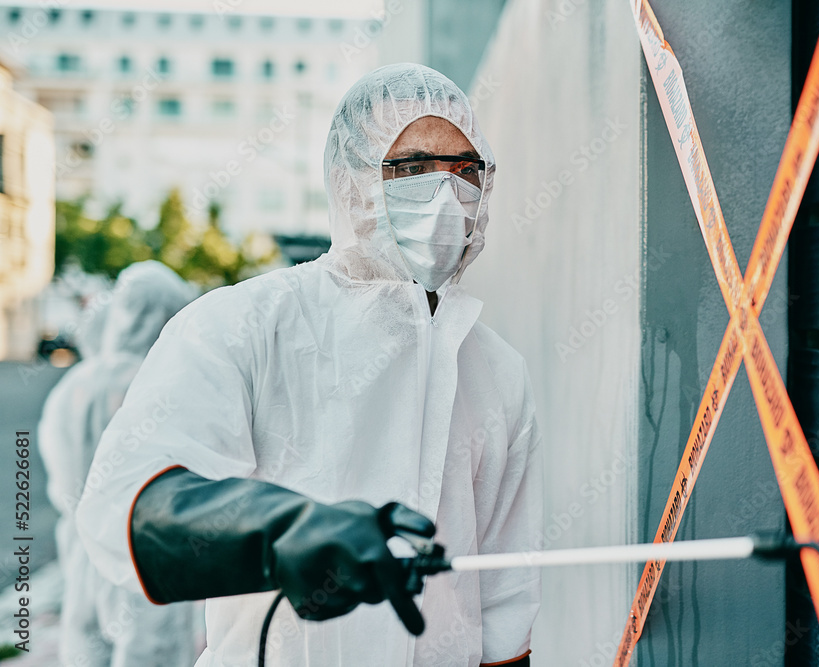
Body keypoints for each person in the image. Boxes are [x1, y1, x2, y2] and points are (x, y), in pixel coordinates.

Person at [76, 63, 542, 666]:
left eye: (465, 171)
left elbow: (505, 603)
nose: (447, 195)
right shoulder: (244, 326)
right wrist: (280, 530)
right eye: (414, 169)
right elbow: (122, 508)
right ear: (351, 184)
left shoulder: (497, 372)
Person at [39, 261, 197, 667]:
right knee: (150, 653)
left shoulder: (74, 384)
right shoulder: (162, 383)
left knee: (85, 646)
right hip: (145, 559)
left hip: (82, 549)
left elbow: (59, 479)